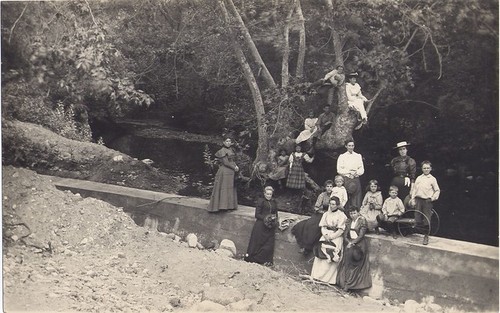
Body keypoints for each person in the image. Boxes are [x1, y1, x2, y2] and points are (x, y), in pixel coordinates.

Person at [310, 196, 347, 284]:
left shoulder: (342, 215)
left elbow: (341, 230)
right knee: (321, 254)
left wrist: (331, 237)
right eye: (330, 204)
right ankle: (317, 276)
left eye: (333, 204)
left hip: (336, 236)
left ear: (337, 205)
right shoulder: (326, 214)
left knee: (331, 255)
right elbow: (323, 226)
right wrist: (325, 234)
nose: (331, 206)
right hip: (326, 235)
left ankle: (327, 279)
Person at [292, 180, 334, 255]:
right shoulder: (322, 195)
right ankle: (305, 246)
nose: (329, 188)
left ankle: (309, 247)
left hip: (331, 215)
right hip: (321, 213)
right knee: (310, 225)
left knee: (320, 228)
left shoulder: (335, 195)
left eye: (331, 186)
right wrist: (323, 209)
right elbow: (316, 207)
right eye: (327, 186)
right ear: (325, 187)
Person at [337, 206, 372, 291]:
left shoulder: (362, 221)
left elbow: (361, 235)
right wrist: (348, 242)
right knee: (346, 262)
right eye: (351, 213)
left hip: (359, 245)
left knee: (354, 263)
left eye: (354, 213)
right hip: (349, 243)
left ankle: (350, 285)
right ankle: (343, 283)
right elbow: (345, 235)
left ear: (358, 212)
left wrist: (353, 243)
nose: (352, 215)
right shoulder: (348, 221)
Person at [245, 186, 279, 266]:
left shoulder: (274, 202)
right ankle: (252, 258)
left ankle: (264, 260)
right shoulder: (261, 201)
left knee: (268, 244)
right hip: (260, 226)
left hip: (270, 227)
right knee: (257, 243)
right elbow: (257, 215)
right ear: (264, 194)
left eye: (270, 194)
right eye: (267, 194)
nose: (269, 196)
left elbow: (276, 213)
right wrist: (266, 218)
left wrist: (274, 220)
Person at [410, 161, 440, 245]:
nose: (426, 169)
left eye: (427, 168)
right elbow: (415, 190)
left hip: (427, 200)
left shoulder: (432, 179)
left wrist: (433, 198)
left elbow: (437, 190)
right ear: (422, 169)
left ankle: (426, 236)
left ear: (430, 169)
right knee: (417, 217)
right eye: (424, 168)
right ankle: (418, 232)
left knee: (427, 218)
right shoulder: (419, 178)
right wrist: (413, 199)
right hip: (418, 200)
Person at [207, 136, 239, 212]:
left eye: (229, 141)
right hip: (224, 172)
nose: (228, 143)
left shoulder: (231, 150)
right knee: (224, 188)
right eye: (227, 141)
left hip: (231, 171)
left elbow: (232, 160)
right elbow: (225, 162)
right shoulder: (222, 151)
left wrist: (236, 166)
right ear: (223, 142)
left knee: (230, 188)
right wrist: (234, 167)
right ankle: (222, 206)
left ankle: (230, 206)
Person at [337, 139, 364, 209]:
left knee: (356, 199)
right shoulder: (342, 156)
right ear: (346, 146)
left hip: (356, 178)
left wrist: (356, 173)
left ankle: (356, 215)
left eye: (352, 145)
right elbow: (339, 169)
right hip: (346, 179)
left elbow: (361, 169)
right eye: (349, 145)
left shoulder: (358, 156)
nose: (351, 147)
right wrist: (349, 172)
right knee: (346, 197)